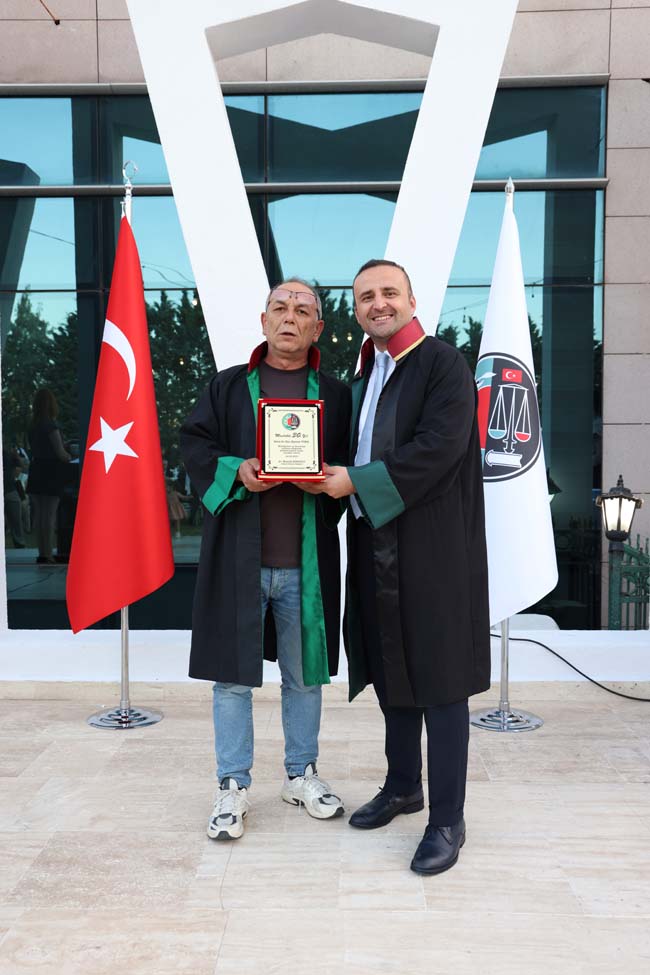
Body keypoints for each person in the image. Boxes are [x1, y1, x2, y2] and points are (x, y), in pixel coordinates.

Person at [316, 259, 490, 876]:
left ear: (412, 300)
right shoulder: (367, 373)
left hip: (433, 548)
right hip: (374, 543)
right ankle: (402, 786)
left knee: (439, 680)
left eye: (389, 292)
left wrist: (354, 482)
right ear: (357, 310)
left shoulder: (442, 363)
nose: (378, 303)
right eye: (366, 296)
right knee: (391, 669)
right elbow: (349, 449)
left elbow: (439, 450)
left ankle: (447, 819)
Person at [180, 278, 351, 841]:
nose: (289, 317)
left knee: (304, 677)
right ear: (263, 320)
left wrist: (330, 481)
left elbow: (351, 464)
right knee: (232, 680)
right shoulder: (228, 387)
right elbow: (194, 447)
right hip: (239, 559)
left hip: (306, 562)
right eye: (280, 307)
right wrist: (237, 470)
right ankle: (232, 784)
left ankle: (301, 774)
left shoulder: (335, 393)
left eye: (302, 310)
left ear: (317, 328)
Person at [26, 389, 71, 565]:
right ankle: (49, 554)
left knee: (39, 514)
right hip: (51, 471)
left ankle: (41, 553)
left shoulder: (32, 426)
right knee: (50, 514)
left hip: (36, 469)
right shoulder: (51, 426)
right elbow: (60, 453)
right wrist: (70, 456)